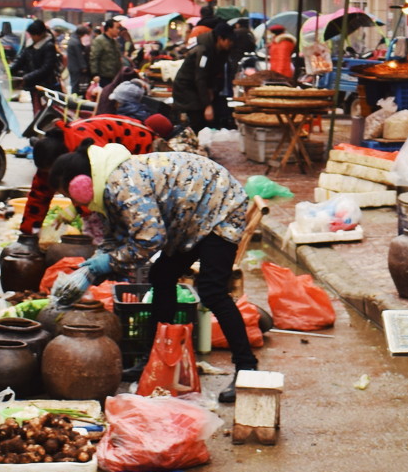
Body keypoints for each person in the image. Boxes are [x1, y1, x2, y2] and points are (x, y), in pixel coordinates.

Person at [47, 148, 258, 402]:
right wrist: (95, 266)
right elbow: (116, 237)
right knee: (161, 276)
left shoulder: (122, 184)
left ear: (81, 184)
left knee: (213, 292)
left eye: (67, 194)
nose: (73, 203)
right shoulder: (108, 187)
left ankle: (247, 369)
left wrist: (108, 263)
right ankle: (154, 361)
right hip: (190, 216)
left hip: (220, 208)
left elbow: (149, 239)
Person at [16, 114, 174, 242]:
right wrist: (30, 233)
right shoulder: (51, 156)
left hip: (139, 145)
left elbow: (100, 184)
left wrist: (77, 209)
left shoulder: (88, 148)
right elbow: (39, 194)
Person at [171, 21, 234, 132]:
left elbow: (212, 75)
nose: (231, 43)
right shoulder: (204, 51)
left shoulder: (221, 51)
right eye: (229, 40)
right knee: (198, 118)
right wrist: (207, 105)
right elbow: (200, 78)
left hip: (198, 87)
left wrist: (211, 90)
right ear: (220, 39)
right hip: (186, 88)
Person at [10, 19, 61, 116]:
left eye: (34, 35)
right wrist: (8, 71)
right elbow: (20, 60)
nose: (32, 37)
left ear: (41, 34)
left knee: (44, 112)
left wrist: (27, 77)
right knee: (37, 110)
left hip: (46, 85)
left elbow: (47, 68)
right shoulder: (30, 45)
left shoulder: (49, 46)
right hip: (34, 84)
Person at [89, 19, 124, 86]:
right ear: (109, 28)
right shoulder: (99, 40)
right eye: (117, 28)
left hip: (115, 77)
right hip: (104, 77)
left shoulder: (115, 42)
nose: (118, 30)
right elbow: (94, 58)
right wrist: (95, 74)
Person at [65, 25, 91, 96]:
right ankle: (74, 100)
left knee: (74, 83)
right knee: (75, 85)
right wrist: (84, 67)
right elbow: (79, 56)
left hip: (72, 66)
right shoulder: (75, 42)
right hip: (76, 67)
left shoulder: (73, 40)